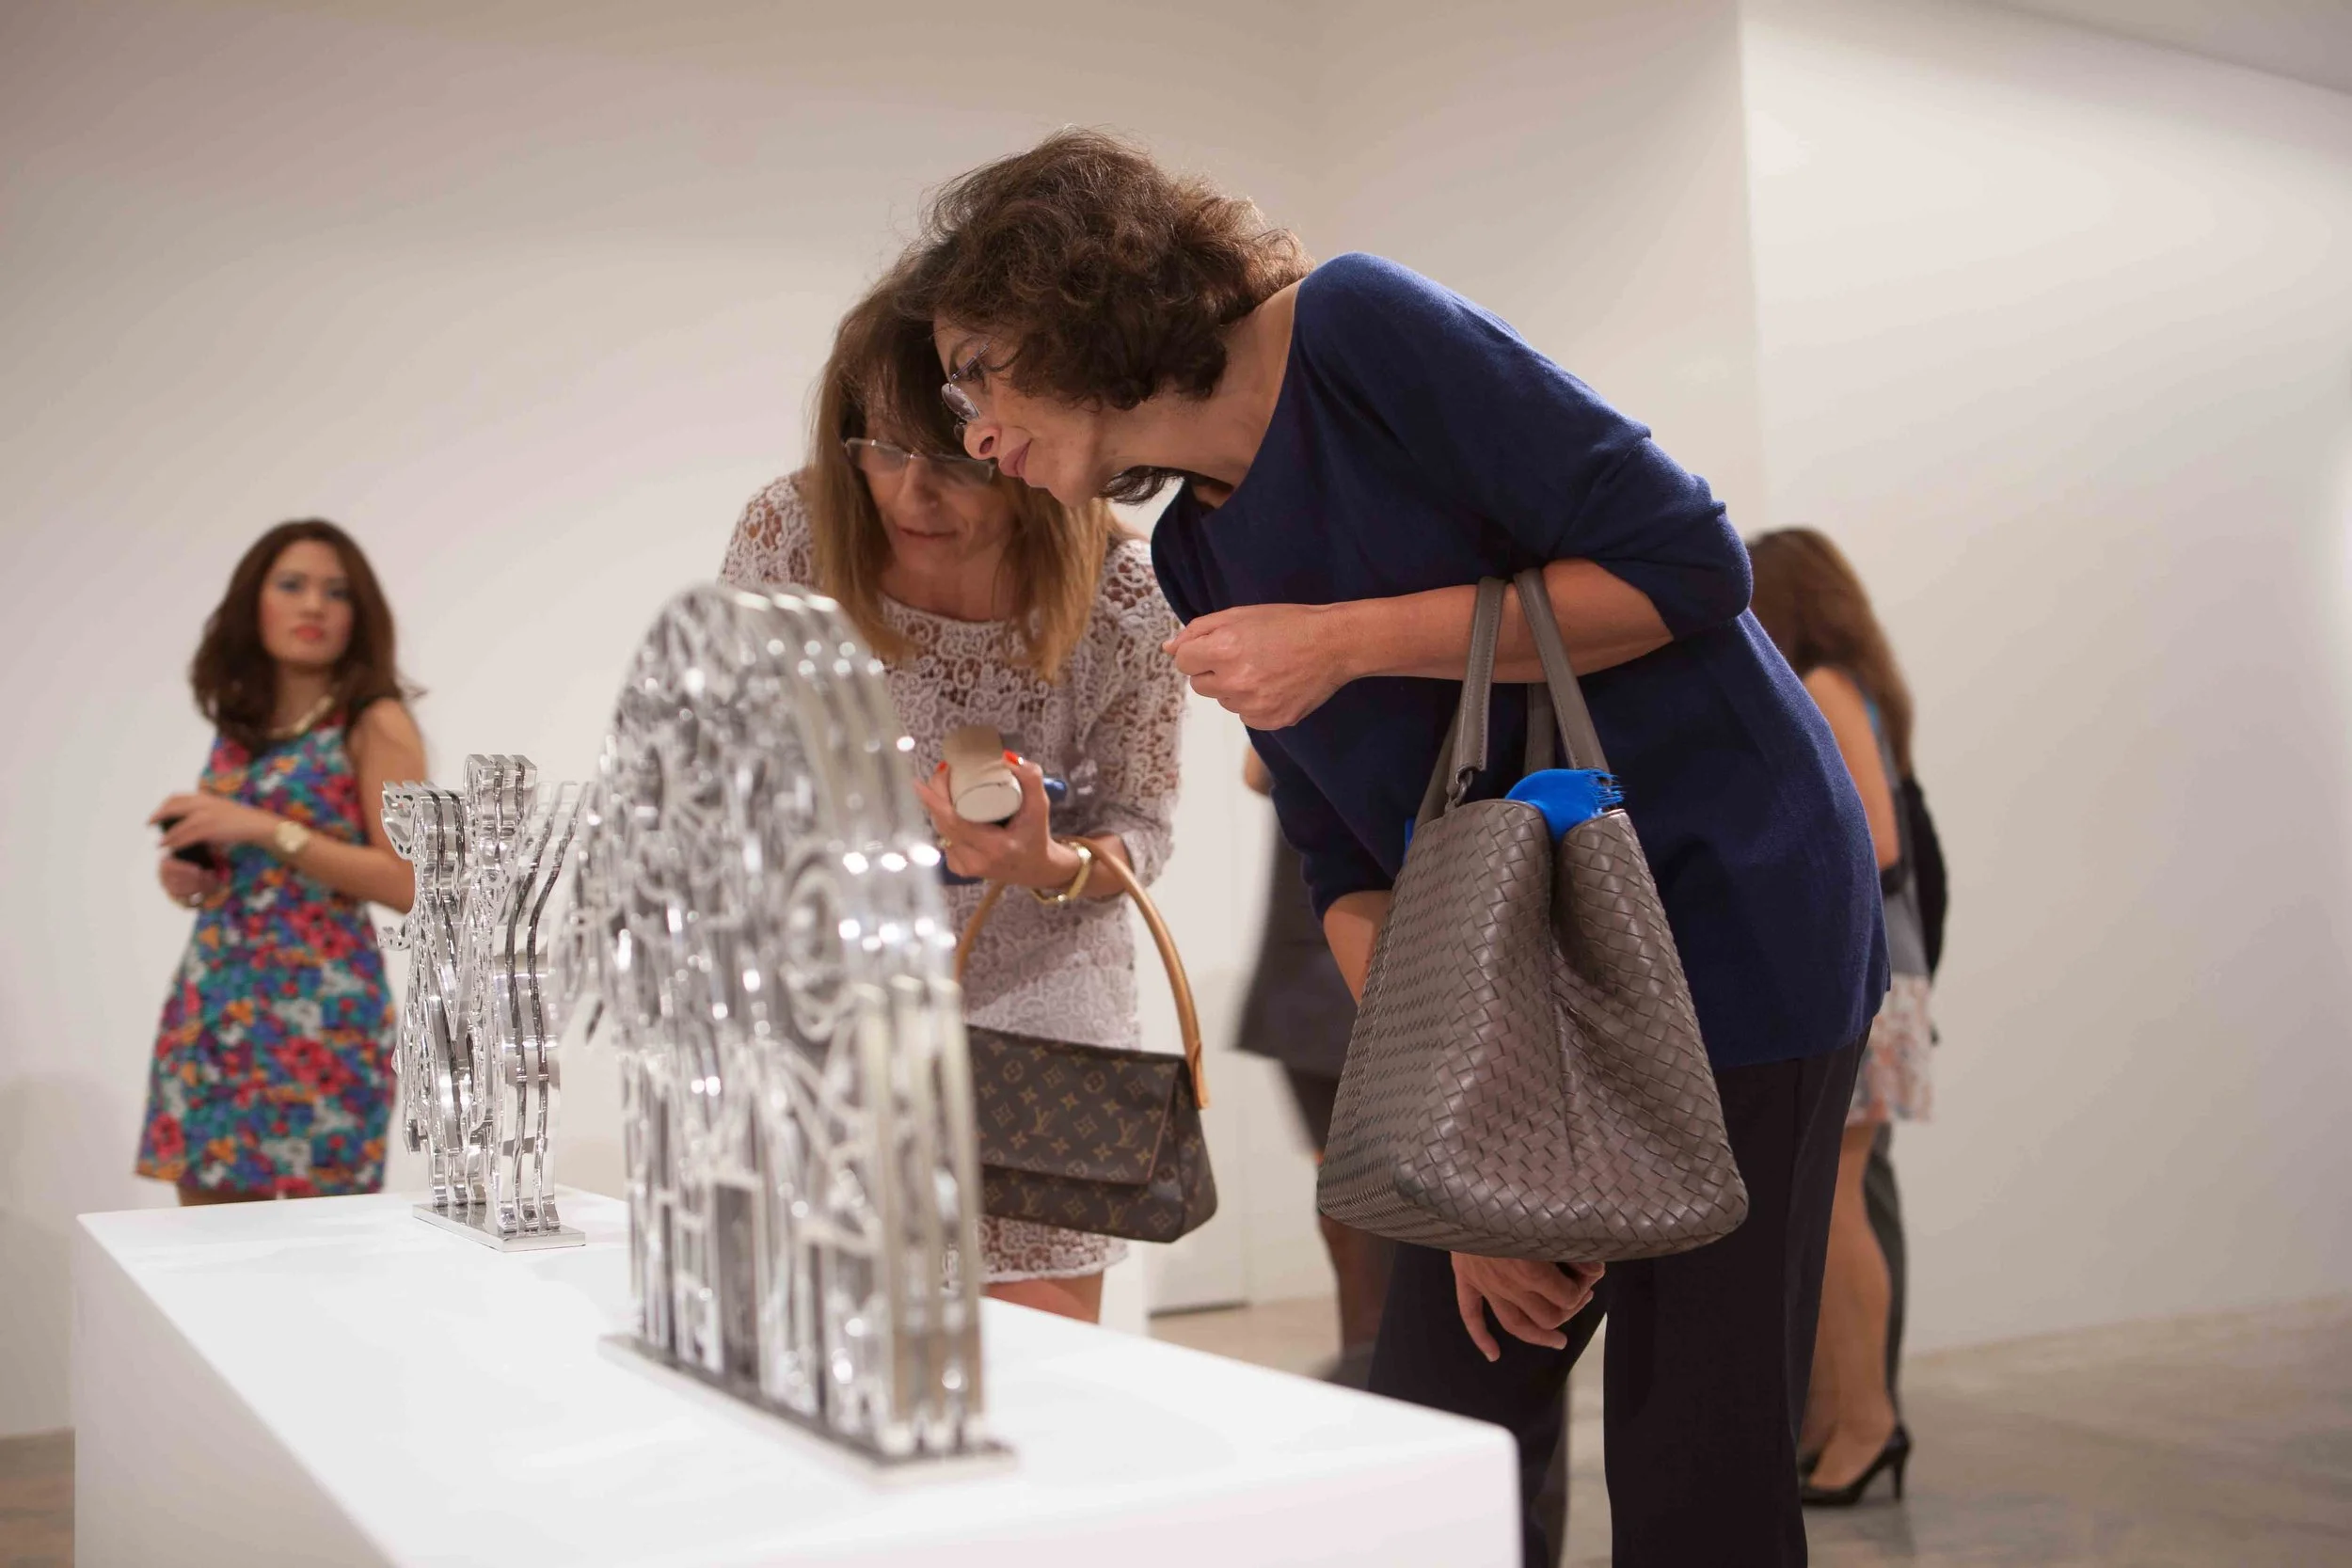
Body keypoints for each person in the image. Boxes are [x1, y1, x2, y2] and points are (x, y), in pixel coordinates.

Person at [885, 130, 1886, 1567]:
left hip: (1728, 900)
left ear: (1069, 303)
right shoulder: (1194, 562)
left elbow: (1692, 567)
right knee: (1441, 1418)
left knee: (1694, 1451)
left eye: (979, 370)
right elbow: (1347, 867)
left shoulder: (1356, 329)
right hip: (1515, 972)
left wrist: (1346, 643)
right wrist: (1456, 1143)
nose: (974, 431)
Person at [720, 276, 1186, 1324]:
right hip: (840, 1007)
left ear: (1018, 443)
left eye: (948, 460)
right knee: (844, 1369)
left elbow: (1144, 822)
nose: (908, 496)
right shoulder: (790, 540)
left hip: (1048, 1016)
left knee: (1049, 1379)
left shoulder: (1123, 594)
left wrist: (1046, 863)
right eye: (879, 449)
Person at [139, 520, 424, 1204]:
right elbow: (246, 865)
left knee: (322, 1267)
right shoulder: (240, 726)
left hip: (321, 1016)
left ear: (360, 616)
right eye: (291, 585)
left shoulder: (375, 721)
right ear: (253, 602)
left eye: (337, 592)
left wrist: (268, 828)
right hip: (216, 1007)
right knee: (207, 1265)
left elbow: (412, 883)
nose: (313, 606)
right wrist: (190, 878)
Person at [1748, 527, 1934, 1506]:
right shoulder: (1849, 682)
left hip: (1863, 977)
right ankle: (1837, 1420)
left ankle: (1866, 1422)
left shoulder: (1820, 682)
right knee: (1830, 1201)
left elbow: (1875, 836)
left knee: (1836, 1201)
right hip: (1873, 976)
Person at [1234, 747, 1391, 1385]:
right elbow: (1256, 770)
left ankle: (1378, 1372)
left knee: (1371, 1205)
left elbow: (1254, 771)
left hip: (1344, 957)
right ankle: (1376, 1372)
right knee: (1359, 1204)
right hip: (1318, 961)